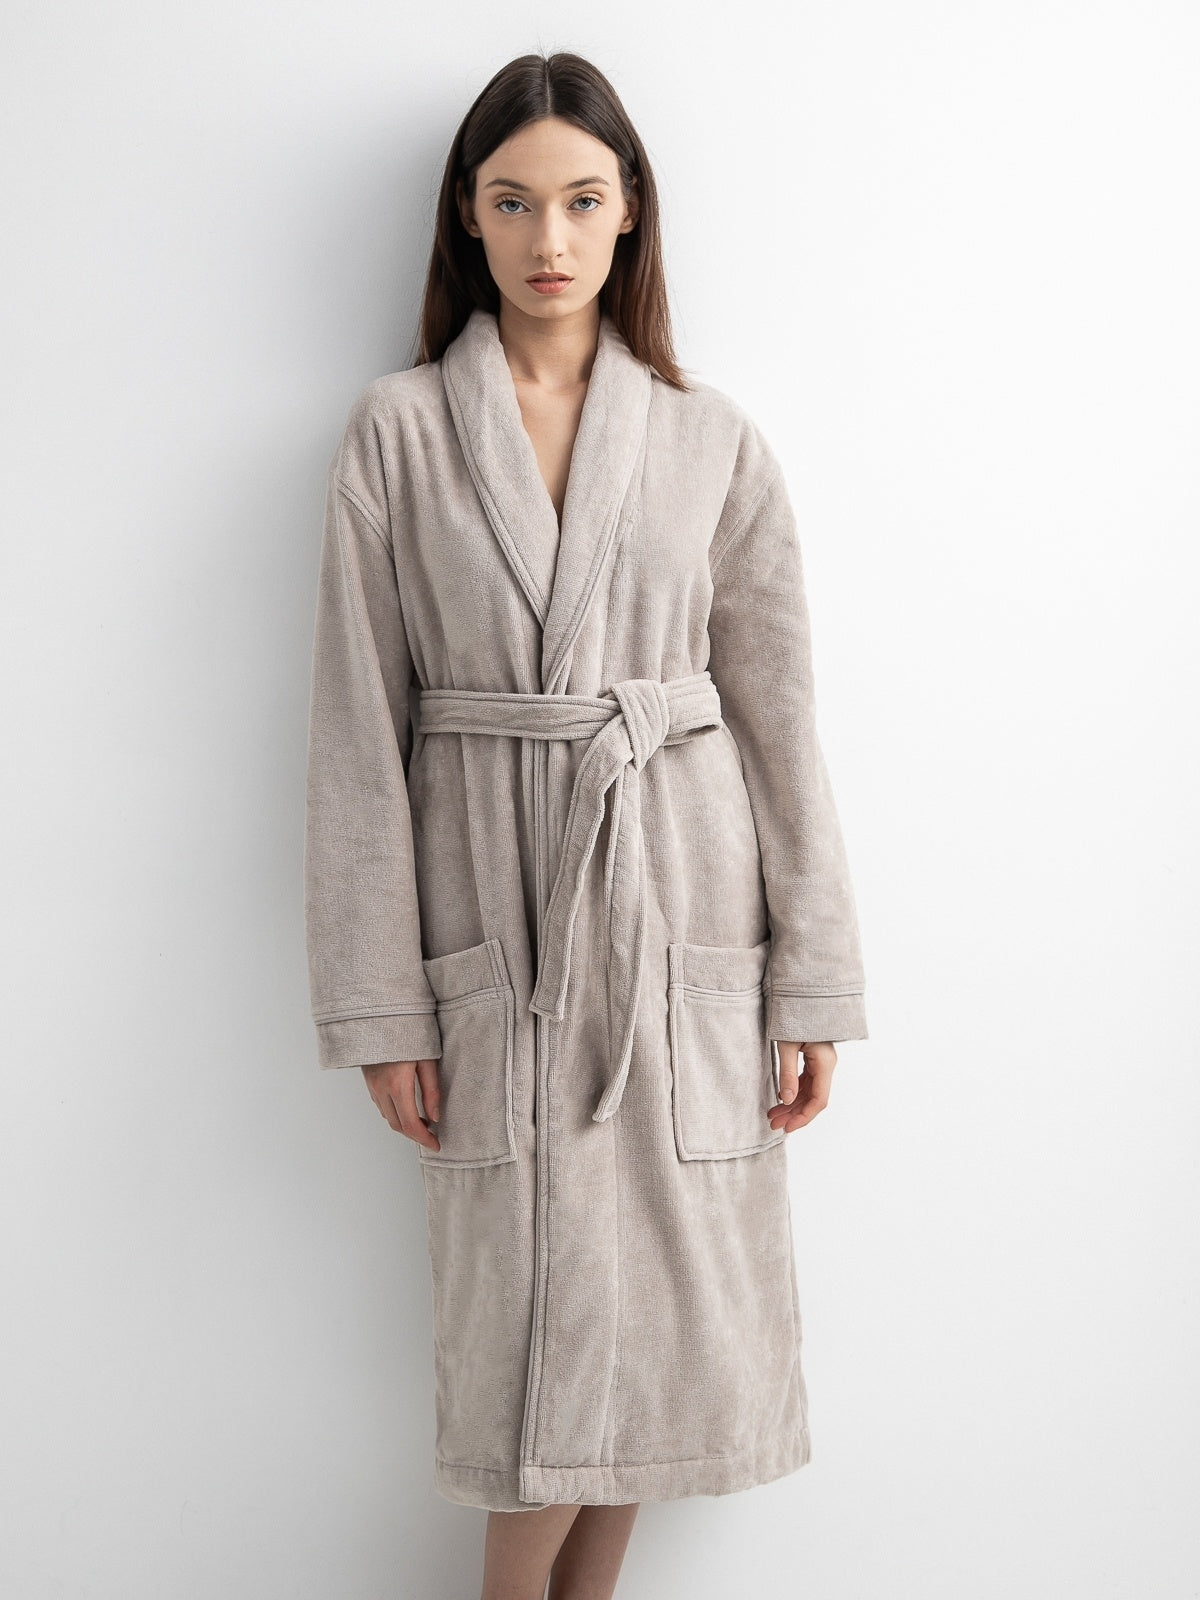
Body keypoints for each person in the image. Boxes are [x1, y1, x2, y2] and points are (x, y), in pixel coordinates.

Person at [303, 49, 869, 1600]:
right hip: (500, 924)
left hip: (682, 921)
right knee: (537, 1347)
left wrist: (809, 984)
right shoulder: (399, 434)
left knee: (661, 1351)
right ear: (466, 219)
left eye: (580, 200)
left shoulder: (709, 439)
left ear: (629, 216)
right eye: (512, 202)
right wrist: (383, 1004)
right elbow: (354, 739)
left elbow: (779, 726)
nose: (547, 237)